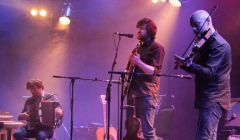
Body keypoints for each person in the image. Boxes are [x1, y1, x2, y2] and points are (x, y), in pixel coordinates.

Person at [175, 10, 232, 140]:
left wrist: (190, 65)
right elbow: (198, 68)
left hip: (215, 99)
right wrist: (185, 64)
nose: (194, 29)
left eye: (197, 25)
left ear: (208, 22)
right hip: (206, 97)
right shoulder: (204, 42)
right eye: (192, 26)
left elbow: (209, 73)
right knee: (210, 137)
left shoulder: (220, 46)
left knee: (203, 137)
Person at [125, 17, 165, 140]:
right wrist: (125, 76)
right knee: (132, 132)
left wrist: (138, 62)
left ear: (150, 31)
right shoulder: (137, 49)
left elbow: (154, 71)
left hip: (147, 94)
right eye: (138, 28)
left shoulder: (157, 48)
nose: (138, 31)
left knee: (148, 132)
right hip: (133, 94)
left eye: (142, 28)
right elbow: (129, 69)